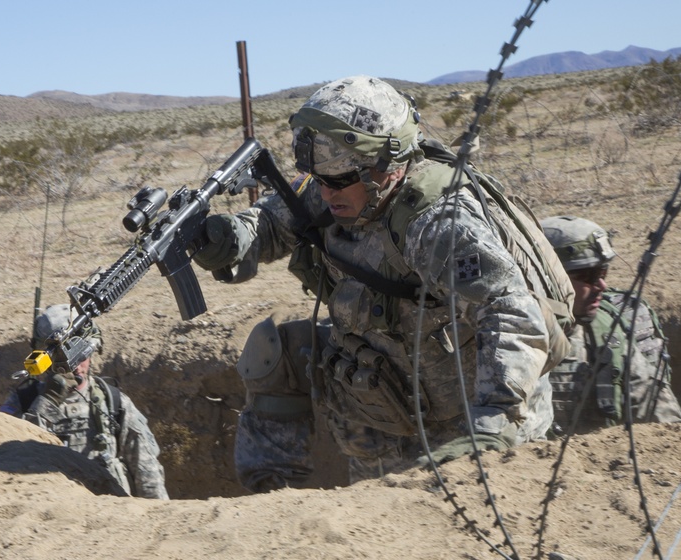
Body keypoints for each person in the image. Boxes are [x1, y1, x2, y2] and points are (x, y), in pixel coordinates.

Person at [192, 75, 565, 492]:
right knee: (277, 352)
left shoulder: (438, 223)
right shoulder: (336, 185)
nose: (325, 191)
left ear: (386, 168)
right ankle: (271, 502)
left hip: (470, 429)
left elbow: (511, 310)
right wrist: (226, 237)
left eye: (337, 179)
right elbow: (271, 222)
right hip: (386, 413)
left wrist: (493, 422)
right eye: (317, 177)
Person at [0, 304, 169, 500]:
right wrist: (47, 402)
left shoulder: (112, 401)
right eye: (64, 359)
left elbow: (147, 471)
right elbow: (5, 456)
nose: (76, 367)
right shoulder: (24, 401)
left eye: (82, 355)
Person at [541, 216, 681, 433]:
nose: (602, 285)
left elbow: (661, 425)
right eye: (587, 276)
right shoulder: (492, 339)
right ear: (545, 279)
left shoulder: (609, 333)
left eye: (603, 273)